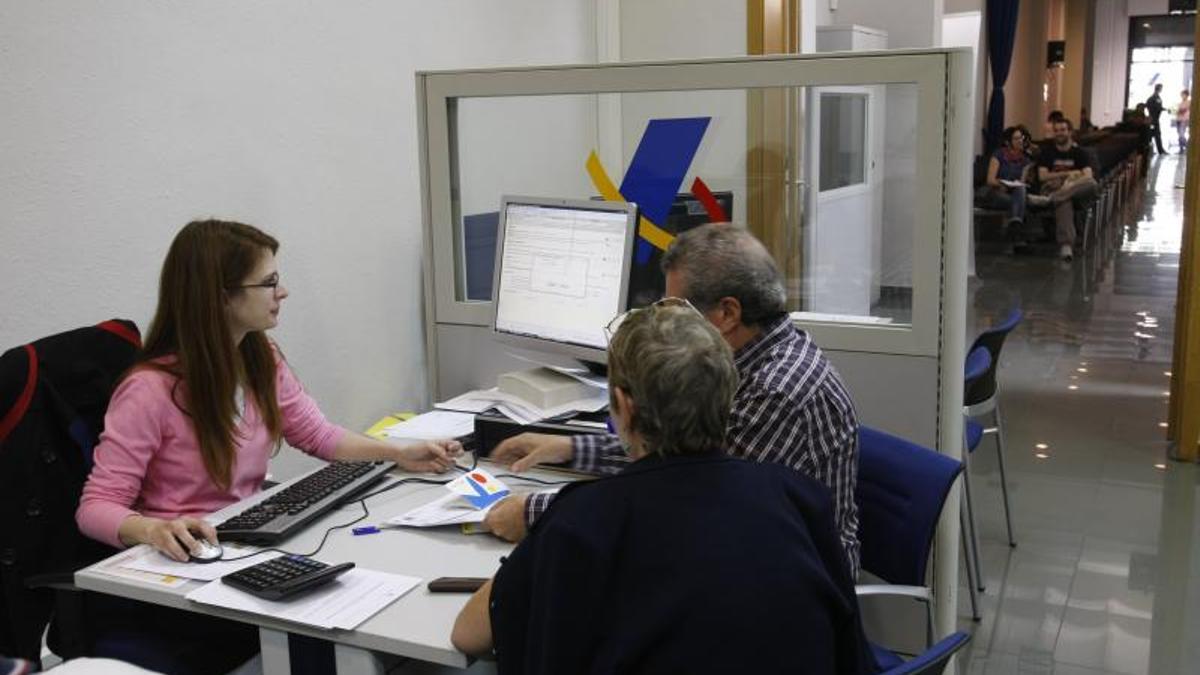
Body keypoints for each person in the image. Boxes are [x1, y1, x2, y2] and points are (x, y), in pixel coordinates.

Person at [75, 220, 462, 674]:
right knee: (334, 623)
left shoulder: (260, 358)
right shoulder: (149, 390)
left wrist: (397, 452)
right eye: (269, 282)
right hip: (187, 571)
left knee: (365, 593)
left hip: (247, 541)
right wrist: (152, 529)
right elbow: (95, 507)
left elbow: (318, 436)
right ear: (221, 296)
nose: (283, 292)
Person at [451, 300, 879, 674]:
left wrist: (525, 560)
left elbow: (468, 635)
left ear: (623, 407)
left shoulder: (581, 521)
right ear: (728, 395)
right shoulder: (799, 499)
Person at [484, 223, 862, 576]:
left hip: (789, 587)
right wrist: (570, 448)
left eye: (677, 308)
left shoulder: (775, 390)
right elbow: (675, 455)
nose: (668, 322)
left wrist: (537, 512)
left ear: (727, 313)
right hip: (742, 556)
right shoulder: (748, 358)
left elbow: (681, 491)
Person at [978, 126, 1051, 246]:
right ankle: (1018, 230)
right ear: (1008, 142)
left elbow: (1022, 183)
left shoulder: (1025, 159)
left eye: (1021, 138)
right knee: (1021, 201)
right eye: (1016, 138)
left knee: (1020, 191)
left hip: (1014, 194)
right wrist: (1003, 184)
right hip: (997, 191)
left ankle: (1015, 229)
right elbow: (990, 180)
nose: (1020, 141)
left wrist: (1026, 170)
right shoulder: (999, 154)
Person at [1038, 118, 1098, 262]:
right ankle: (1066, 246)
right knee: (1065, 202)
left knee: (1092, 184)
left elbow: (1088, 176)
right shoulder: (1047, 152)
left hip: (1074, 189)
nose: (1059, 133)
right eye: (1056, 130)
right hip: (1054, 187)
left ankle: (1051, 199)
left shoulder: (1080, 153)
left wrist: (1070, 184)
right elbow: (1042, 176)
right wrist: (1068, 174)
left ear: (1070, 132)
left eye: (1063, 130)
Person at [1147, 83, 1167, 154]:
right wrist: (1164, 109)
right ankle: (1159, 150)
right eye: (1161, 88)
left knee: (1153, 134)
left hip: (1153, 119)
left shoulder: (1152, 97)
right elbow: (1158, 107)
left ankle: (1155, 150)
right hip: (1154, 119)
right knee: (1155, 134)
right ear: (1159, 89)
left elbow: (1148, 105)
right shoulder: (1155, 97)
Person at [1174, 89, 1190, 153]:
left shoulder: (1188, 102)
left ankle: (1187, 146)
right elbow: (1177, 111)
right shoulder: (1180, 103)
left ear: (1186, 95)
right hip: (1178, 119)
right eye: (1181, 94)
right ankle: (1181, 149)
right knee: (1179, 134)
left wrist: (1178, 111)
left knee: (1181, 134)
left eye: (1183, 94)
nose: (1182, 96)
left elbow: (1183, 110)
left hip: (1184, 120)